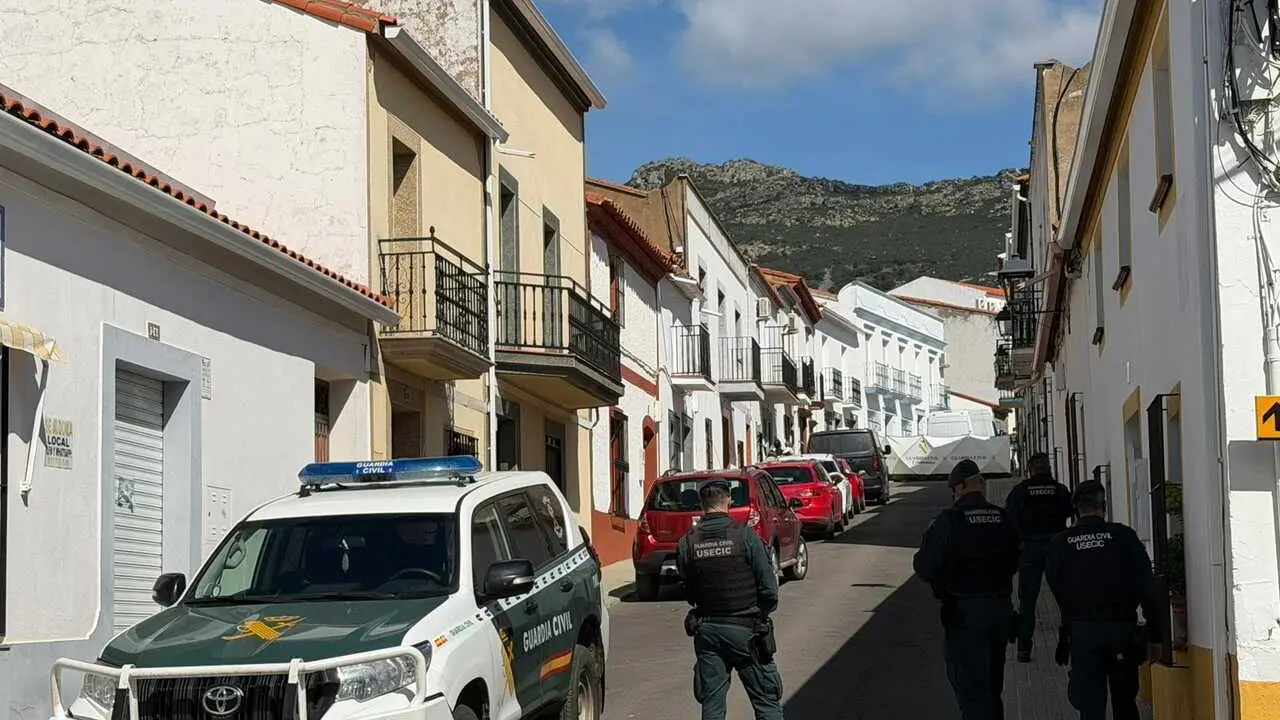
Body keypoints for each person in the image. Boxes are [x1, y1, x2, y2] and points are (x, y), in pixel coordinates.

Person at [914, 459, 1021, 720]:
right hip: (1000, 611)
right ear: (982, 486)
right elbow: (1016, 560)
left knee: (972, 691)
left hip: (965, 615)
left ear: (960, 488)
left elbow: (925, 566)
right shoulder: (1003, 517)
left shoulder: (949, 520)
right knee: (993, 687)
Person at [1046, 480, 1160, 720]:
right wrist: (1155, 630)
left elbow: (1056, 586)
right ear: (1104, 506)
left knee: (1090, 707)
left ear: (1076, 509)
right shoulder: (1124, 536)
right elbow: (1147, 584)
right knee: (1125, 703)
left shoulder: (1060, 543)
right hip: (1122, 630)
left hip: (1083, 633)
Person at [677, 478, 785, 720]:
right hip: (747, 631)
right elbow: (769, 589)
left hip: (708, 631)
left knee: (712, 706)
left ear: (702, 504)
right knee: (767, 702)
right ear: (728, 500)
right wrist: (760, 613)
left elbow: (689, 591)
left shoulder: (687, 543)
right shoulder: (746, 537)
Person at [1004, 452, 1075, 661]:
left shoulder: (1020, 491)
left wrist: (1017, 546)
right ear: (1048, 468)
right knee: (1065, 599)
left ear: (1029, 468)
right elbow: (1071, 512)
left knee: (1027, 602)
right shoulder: (1060, 490)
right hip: (1056, 547)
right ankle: (1071, 643)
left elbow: (1010, 521)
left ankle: (1024, 649)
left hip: (1030, 549)